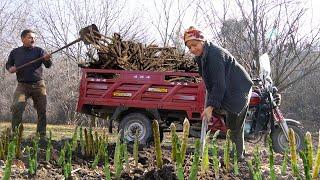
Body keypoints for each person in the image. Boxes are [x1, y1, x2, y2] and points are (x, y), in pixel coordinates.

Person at [183, 26, 253, 159]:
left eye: (194, 45)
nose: (192, 49)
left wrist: (210, 107)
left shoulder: (215, 55)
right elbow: (209, 79)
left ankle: (238, 156)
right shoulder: (202, 56)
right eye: (189, 47)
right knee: (233, 125)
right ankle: (238, 153)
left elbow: (219, 84)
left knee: (235, 125)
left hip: (239, 89)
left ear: (202, 41)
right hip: (231, 87)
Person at [6, 29, 52, 138]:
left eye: (34, 38)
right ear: (23, 38)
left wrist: (47, 60)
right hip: (23, 87)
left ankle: (41, 135)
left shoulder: (40, 51)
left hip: (38, 86)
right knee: (17, 107)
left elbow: (48, 65)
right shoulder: (15, 52)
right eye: (30, 37)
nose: (33, 39)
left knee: (42, 110)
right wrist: (10, 68)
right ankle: (16, 134)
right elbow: (8, 64)